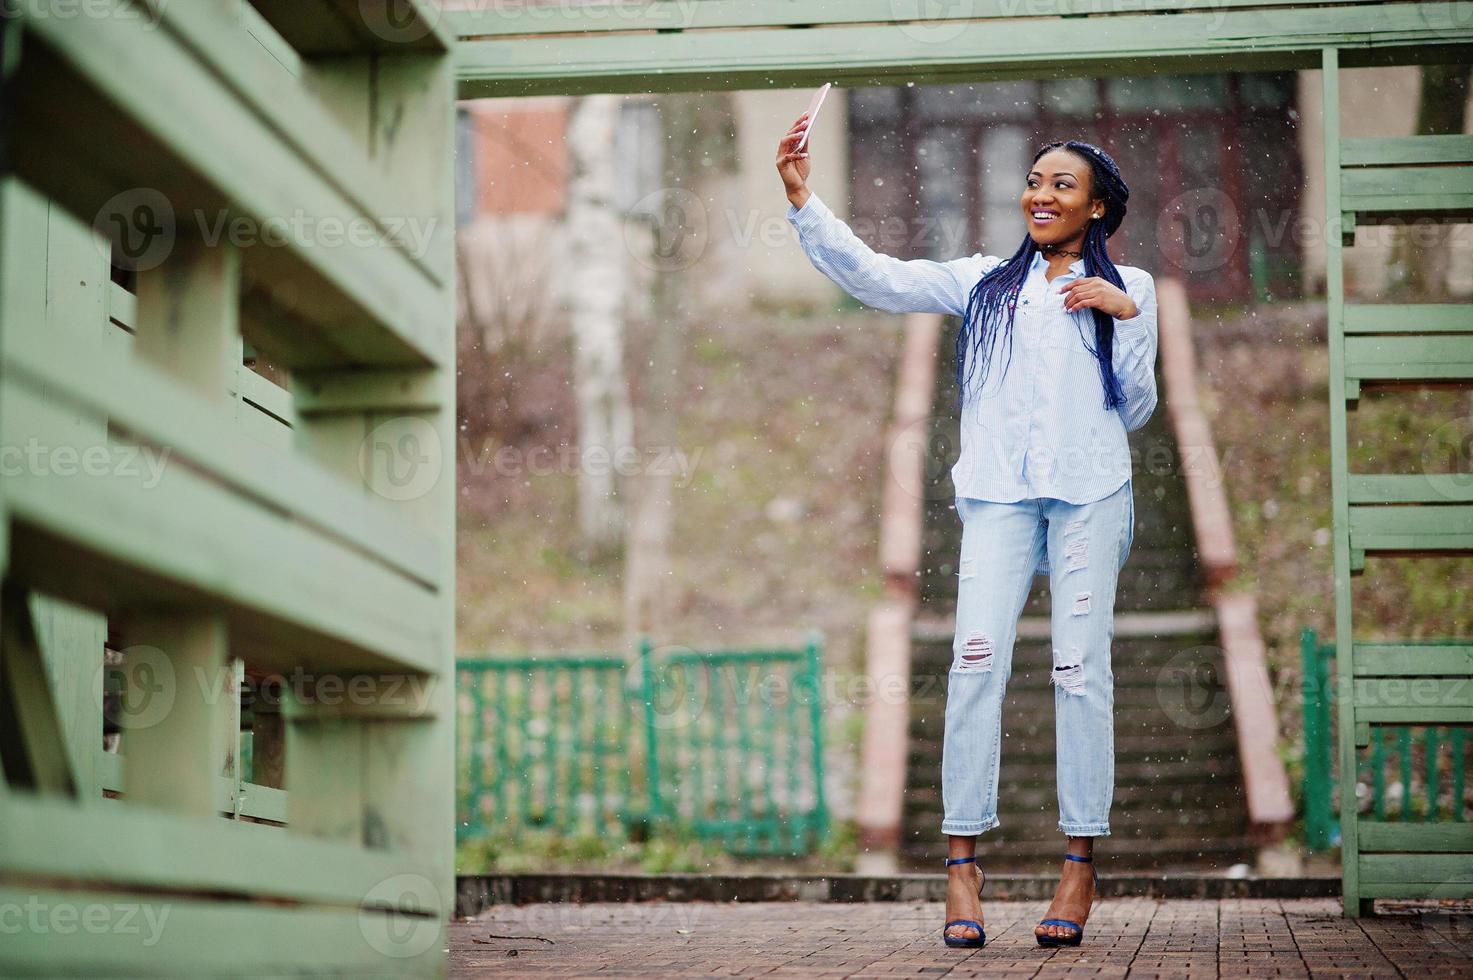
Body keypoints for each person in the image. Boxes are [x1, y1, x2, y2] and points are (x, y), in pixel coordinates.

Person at [776, 111, 1159, 950]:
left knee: (1076, 670)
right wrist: (805, 200)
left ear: (1097, 207)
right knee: (973, 660)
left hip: (1090, 493)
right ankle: (961, 864)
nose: (1040, 194)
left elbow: (1133, 408)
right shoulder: (983, 283)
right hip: (997, 496)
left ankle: (1078, 862)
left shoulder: (1129, 287)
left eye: (1061, 184)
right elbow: (879, 277)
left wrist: (1120, 315)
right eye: (1033, 181)